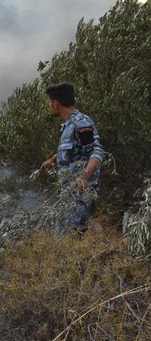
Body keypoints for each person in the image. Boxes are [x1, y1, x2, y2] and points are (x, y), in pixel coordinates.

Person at [40, 82, 104, 232]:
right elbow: (75, 149)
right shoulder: (68, 124)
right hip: (70, 193)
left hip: (80, 193)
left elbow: (96, 152)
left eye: (49, 102)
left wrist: (84, 178)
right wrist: (53, 159)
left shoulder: (80, 123)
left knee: (72, 235)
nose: (48, 105)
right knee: (68, 234)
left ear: (56, 103)